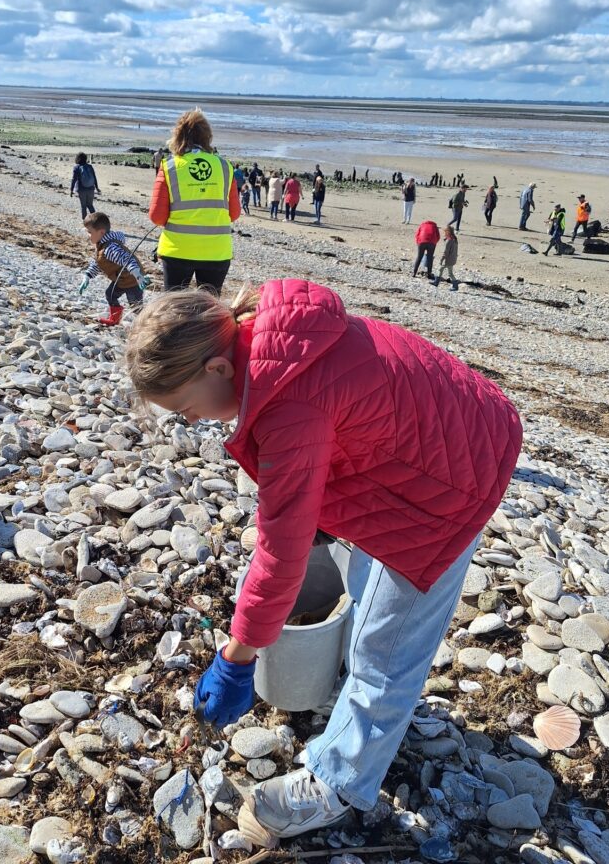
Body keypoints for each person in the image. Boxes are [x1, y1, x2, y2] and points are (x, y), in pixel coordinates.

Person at [125, 280, 522, 840]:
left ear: (217, 367)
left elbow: (280, 554)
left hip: (453, 482)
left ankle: (338, 782)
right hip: (446, 430)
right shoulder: (271, 335)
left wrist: (237, 659)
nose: (191, 422)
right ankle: (354, 701)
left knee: (386, 649)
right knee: (366, 605)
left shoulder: (287, 404)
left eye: (186, 409)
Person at [148, 109, 240, 296]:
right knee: (209, 310)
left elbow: (157, 217)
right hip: (216, 251)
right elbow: (234, 213)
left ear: (178, 136)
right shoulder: (224, 167)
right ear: (208, 137)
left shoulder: (170, 167)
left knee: (174, 308)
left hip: (177, 250)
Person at [78, 211, 147, 326]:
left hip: (132, 280)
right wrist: (87, 276)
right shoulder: (102, 245)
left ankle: (148, 324)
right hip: (120, 279)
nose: (88, 236)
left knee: (136, 306)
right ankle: (114, 319)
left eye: (90, 232)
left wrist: (138, 275)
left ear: (101, 232)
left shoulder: (111, 248)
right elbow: (98, 263)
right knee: (110, 294)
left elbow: (128, 260)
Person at [70, 152, 100, 219]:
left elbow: (73, 179)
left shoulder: (76, 167)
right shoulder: (90, 166)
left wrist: (71, 190)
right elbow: (94, 177)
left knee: (83, 206)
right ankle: (96, 220)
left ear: (78, 158)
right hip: (91, 188)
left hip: (81, 189)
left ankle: (85, 222)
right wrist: (97, 187)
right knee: (90, 205)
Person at [430, 226, 459, 291]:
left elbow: (445, 252)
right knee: (441, 270)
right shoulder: (454, 239)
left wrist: (441, 259)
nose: (444, 233)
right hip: (452, 259)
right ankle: (436, 282)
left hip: (448, 260)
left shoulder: (449, 240)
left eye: (445, 231)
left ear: (448, 232)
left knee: (449, 273)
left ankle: (455, 286)